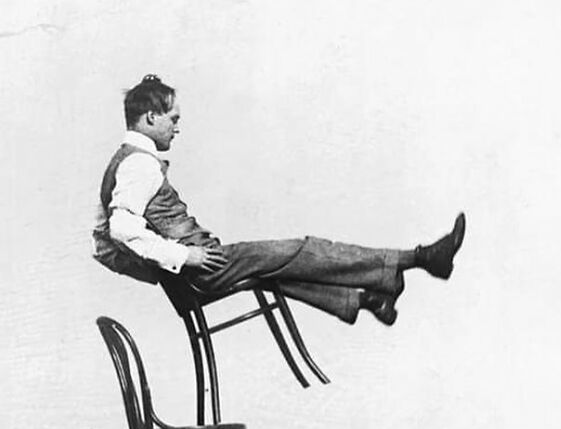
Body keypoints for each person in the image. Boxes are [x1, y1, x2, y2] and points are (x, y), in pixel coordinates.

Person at [93, 74, 466, 327]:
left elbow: (101, 244)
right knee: (304, 250)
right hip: (204, 270)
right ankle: (419, 258)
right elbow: (120, 230)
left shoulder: (122, 161)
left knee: (279, 268)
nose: (178, 126)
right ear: (150, 116)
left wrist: (162, 270)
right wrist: (181, 258)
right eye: (172, 118)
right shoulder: (139, 165)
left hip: (200, 272)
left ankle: (368, 300)